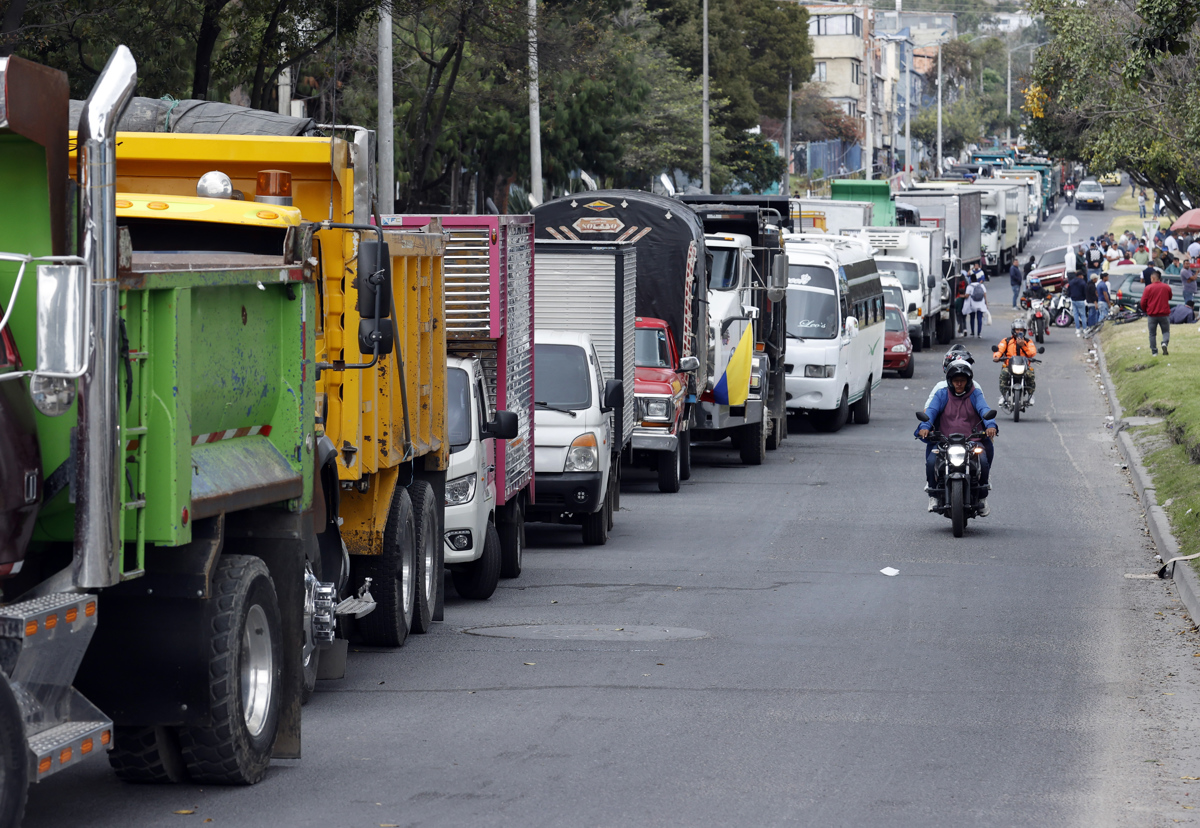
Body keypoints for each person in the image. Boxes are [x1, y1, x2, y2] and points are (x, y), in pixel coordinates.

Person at [917, 360, 998, 516]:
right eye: (956, 381)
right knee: (931, 462)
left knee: (983, 461)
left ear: (968, 381)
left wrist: (990, 425)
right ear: (950, 381)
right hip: (945, 442)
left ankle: (982, 498)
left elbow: (984, 409)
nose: (959, 384)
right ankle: (933, 495)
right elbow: (931, 411)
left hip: (971, 441)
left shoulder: (975, 394)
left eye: (962, 380)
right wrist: (925, 427)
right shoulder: (941, 394)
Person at [993, 318, 1039, 405]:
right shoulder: (1006, 341)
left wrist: (1023, 346)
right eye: (1017, 329)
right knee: (1004, 374)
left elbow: (1032, 353)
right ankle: (1003, 395)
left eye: (1021, 330)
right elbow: (999, 350)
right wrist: (997, 357)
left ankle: (1030, 395)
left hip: (1025, 366)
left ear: (1024, 331)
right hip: (1009, 366)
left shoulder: (1028, 342)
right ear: (1013, 330)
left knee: (1030, 375)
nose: (1019, 331)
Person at [1140, 269, 1174, 356]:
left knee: (1152, 334)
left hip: (1152, 314)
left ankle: (1154, 351)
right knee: (1166, 331)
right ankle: (1164, 343)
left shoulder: (1148, 288)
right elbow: (1170, 297)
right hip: (1164, 314)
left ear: (1152, 278)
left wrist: (1145, 310)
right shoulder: (1166, 287)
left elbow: (1143, 301)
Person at [962, 272, 988, 337]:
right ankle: (979, 333)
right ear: (977, 279)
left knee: (972, 318)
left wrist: (962, 296)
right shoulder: (981, 285)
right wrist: (986, 303)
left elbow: (967, 295)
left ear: (971, 280)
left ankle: (972, 332)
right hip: (980, 304)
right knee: (979, 318)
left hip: (972, 305)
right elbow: (984, 294)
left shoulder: (969, 286)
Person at [1067, 268, 1089, 337]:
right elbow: (1085, 291)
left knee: (1075, 315)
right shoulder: (1082, 282)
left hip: (1073, 300)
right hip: (1081, 300)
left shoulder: (1071, 282)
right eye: (1082, 275)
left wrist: (1070, 296)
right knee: (1083, 315)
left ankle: (1077, 329)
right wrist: (1085, 298)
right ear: (1080, 275)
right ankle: (1085, 328)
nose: (1083, 277)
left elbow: (1069, 290)